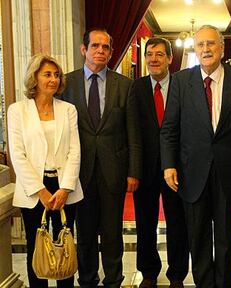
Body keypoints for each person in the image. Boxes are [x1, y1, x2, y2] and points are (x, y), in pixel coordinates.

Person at [160, 25, 231, 287]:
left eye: (211, 44)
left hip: (229, 172)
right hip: (192, 173)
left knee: (226, 237)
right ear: (195, 48)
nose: (206, 49)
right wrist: (169, 165)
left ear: (222, 48)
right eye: (200, 44)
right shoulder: (181, 81)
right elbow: (169, 128)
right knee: (198, 237)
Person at [61, 28, 142, 288]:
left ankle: (114, 280)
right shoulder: (66, 83)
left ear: (111, 52)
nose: (100, 51)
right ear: (84, 49)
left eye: (105, 47)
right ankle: (87, 280)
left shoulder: (124, 85)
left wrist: (133, 171)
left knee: (112, 233)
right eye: (95, 46)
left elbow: (133, 133)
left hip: (114, 171)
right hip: (78, 173)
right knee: (84, 233)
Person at [8, 54, 83, 288]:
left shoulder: (68, 109)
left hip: (64, 188)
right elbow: (17, 155)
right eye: (47, 74)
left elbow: (75, 151)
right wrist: (40, 191)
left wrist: (64, 188)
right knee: (36, 246)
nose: (53, 79)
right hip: (34, 190)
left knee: (66, 245)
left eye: (56, 75)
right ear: (34, 78)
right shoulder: (17, 111)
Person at [132, 37, 189, 288]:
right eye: (149, 54)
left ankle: (177, 273)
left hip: (176, 167)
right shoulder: (136, 88)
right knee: (145, 221)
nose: (153, 59)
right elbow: (131, 131)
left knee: (178, 221)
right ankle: (148, 272)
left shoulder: (182, 86)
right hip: (145, 168)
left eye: (159, 54)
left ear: (169, 58)